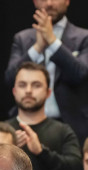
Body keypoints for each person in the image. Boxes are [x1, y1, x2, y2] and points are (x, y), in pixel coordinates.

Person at [5, 0, 88, 144]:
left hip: (72, 126)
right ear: (35, 2)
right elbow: (11, 79)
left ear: (67, 1)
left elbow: (79, 74)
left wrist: (52, 41)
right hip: (26, 124)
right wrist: (37, 47)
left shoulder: (84, 37)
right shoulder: (23, 39)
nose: (49, 4)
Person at [6, 61, 84, 170]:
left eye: (36, 85)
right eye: (22, 85)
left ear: (48, 92)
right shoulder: (2, 131)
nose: (28, 90)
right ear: (14, 91)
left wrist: (41, 152)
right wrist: (7, 150)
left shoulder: (62, 131)